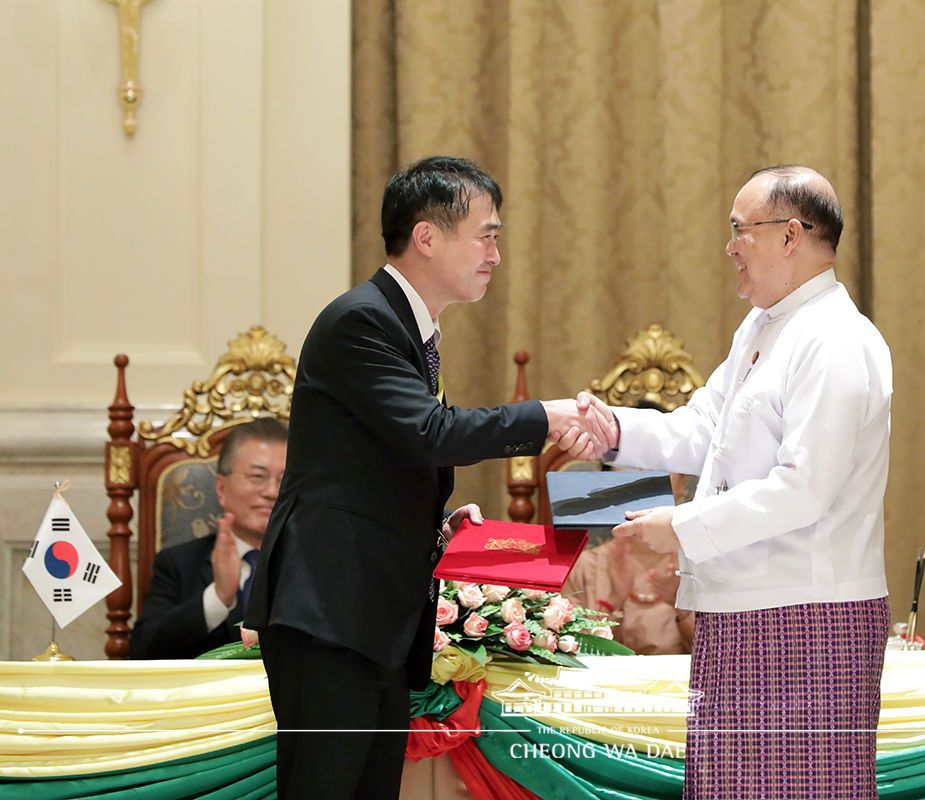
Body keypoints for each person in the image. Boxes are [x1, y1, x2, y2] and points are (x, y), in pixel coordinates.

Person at [243, 156, 611, 800]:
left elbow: (376, 464)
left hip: (371, 619)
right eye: (486, 234)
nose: (497, 253)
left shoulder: (411, 331)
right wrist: (546, 416)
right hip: (330, 613)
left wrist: (436, 526)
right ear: (427, 237)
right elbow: (431, 433)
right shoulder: (362, 321)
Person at [585, 165, 893, 798]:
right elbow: (703, 429)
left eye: (740, 230)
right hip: (739, 609)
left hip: (809, 617)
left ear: (792, 235)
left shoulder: (834, 339)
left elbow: (804, 489)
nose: (730, 247)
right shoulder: (762, 327)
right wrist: (613, 429)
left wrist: (682, 527)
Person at [129, 417, 287, 659]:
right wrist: (218, 597)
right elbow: (142, 652)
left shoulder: (317, 561)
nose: (272, 492)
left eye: (284, 480)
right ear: (222, 489)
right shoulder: (179, 563)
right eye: (257, 477)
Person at [562, 472, 695, 654]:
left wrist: (685, 610)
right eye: (631, 469)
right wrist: (612, 605)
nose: (641, 481)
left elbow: (724, 661)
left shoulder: (706, 565)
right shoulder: (583, 567)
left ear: (683, 485)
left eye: (654, 467)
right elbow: (569, 653)